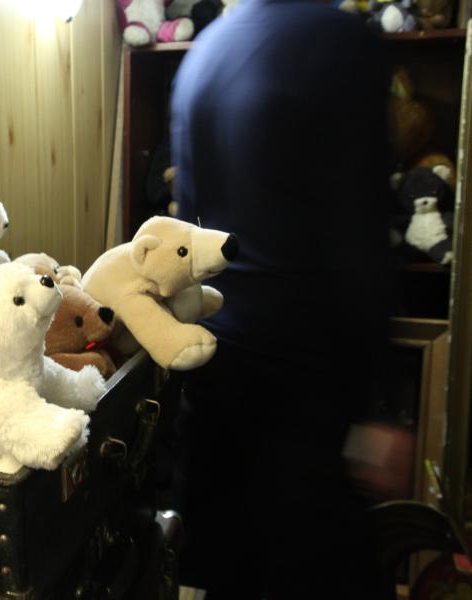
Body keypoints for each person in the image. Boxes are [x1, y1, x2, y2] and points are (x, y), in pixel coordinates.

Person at [166, 1, 395, 598]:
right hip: (306, 380)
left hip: (214, 369)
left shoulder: (203, 56)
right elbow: (362, 226)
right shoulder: (341, 40)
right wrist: (383, 406)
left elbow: (187, 236)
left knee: (230, 573)